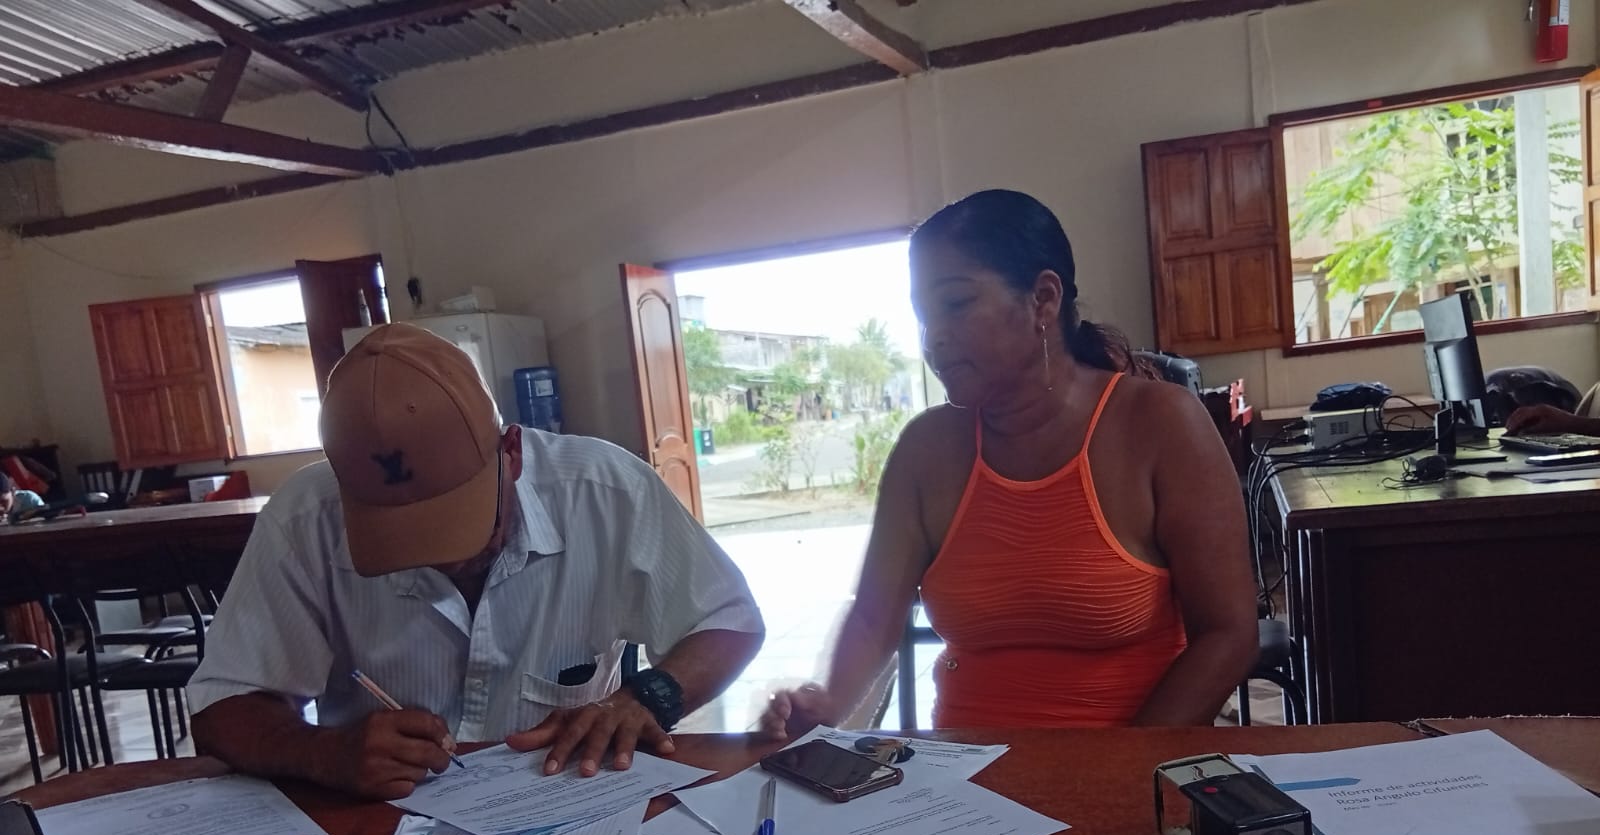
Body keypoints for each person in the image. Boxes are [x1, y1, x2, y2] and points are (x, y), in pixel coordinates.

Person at [762, 189, 1257, 738]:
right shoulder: (925, 450)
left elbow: (1228, 633)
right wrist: (827, 703)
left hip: (1131, 765)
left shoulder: (1159, 424)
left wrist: (1119, 766)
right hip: (963, 776)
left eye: (954, 304)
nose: (933, 339)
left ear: (1043, 300)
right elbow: (874, 618)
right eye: (922, 317)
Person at [190, 323, 765, 795]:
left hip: (568, 799)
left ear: (511, 452)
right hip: (376, 818)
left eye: (456, 525)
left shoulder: (605, 491)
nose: (439, 560)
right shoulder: (305, 519)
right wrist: (323, 752)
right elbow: (221, 707)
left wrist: (646, 698)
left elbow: (729, 619)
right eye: (397, 537)